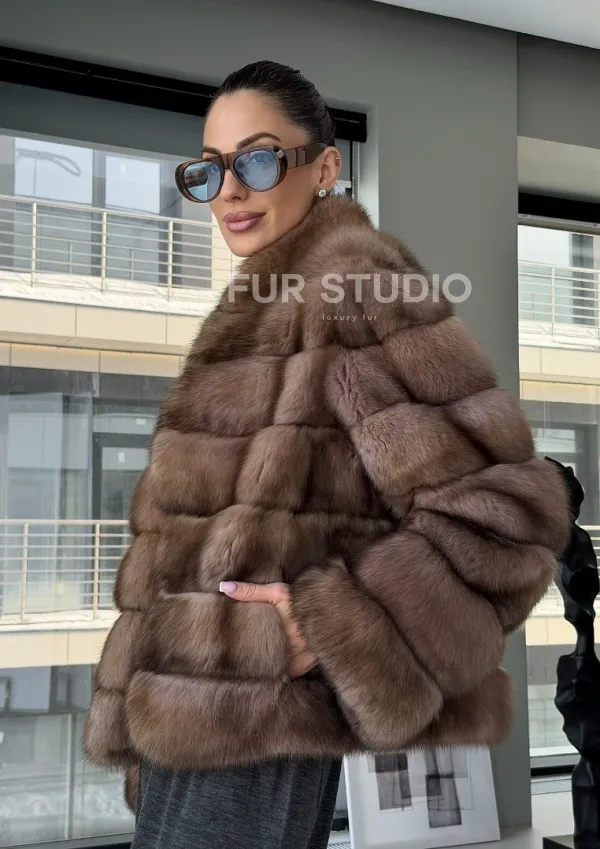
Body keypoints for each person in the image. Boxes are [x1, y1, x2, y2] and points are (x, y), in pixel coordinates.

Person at [84, 60, 570, 849]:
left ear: (324, 167)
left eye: (258, 160)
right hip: (193, 721)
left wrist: (326, 626)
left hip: (258, 719)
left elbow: (508, 518)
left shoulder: (352, 288)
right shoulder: (269, 302)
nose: (230, 190)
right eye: (210, 169)